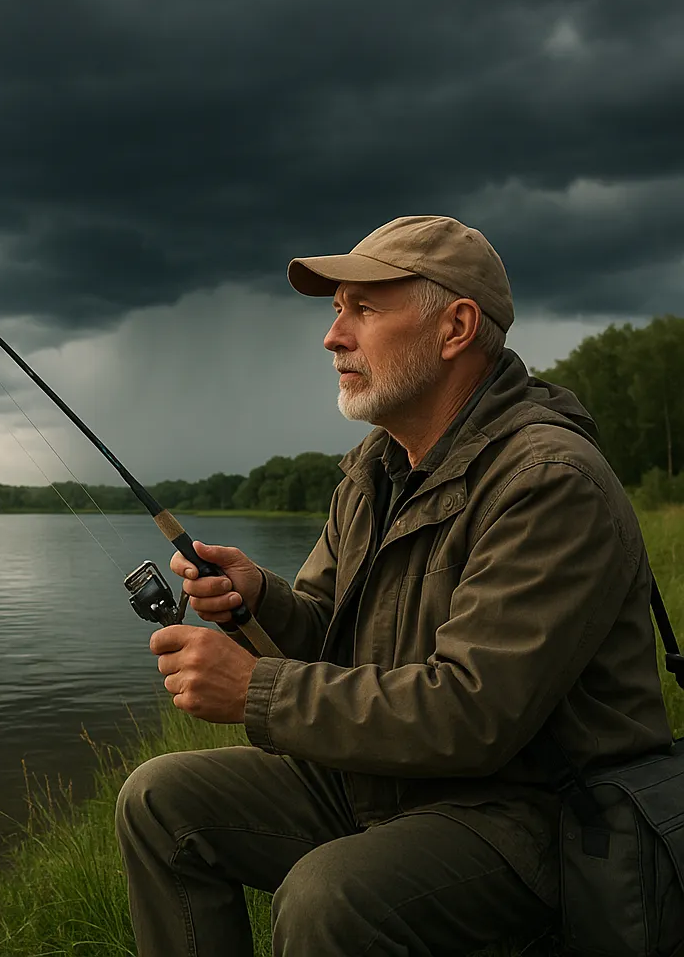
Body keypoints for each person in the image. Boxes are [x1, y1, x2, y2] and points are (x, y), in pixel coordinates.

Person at [115, 215, 673, 956]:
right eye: (336, 308)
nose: (333, 336)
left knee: (331, 896)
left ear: (456, 327)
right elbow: (331, 632)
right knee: (159, 801)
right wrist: (260, 598)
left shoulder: (548, 482)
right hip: (388, 781)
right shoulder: (377, 468)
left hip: (535, 816)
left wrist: (256, 690)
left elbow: (473, 714)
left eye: (364, 308)